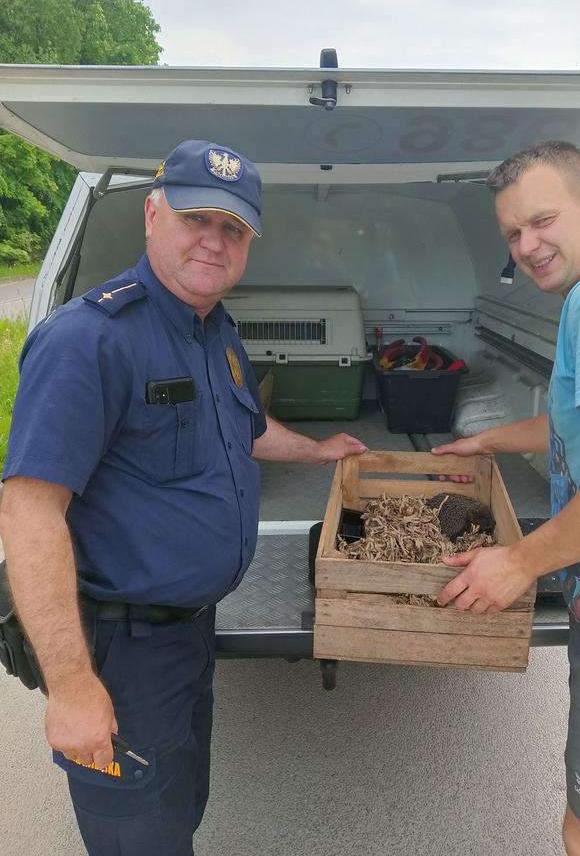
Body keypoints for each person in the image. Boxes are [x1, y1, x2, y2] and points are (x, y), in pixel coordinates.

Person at [0, 139, 367, 856]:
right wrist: (73, 688)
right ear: (150, 214)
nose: (214, 239)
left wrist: (321, 450)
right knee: (139, 837)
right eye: (196, 216)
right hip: (120, 649)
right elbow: (27, 510)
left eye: (233, 227)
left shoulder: (214, 332)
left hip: (189, 636)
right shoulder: (90, 340)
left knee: (179, 809)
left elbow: (246, 427)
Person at [432, 141, 580, 856]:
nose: (527, 245)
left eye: (542, 220)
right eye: (512, 232)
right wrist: (493, 440)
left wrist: (521, 561)